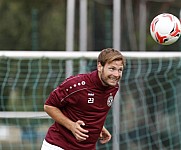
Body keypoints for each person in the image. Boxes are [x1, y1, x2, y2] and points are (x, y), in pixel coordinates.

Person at [41, 48, 126, 150]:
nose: (116, 75)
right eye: (112, 69)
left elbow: (89, 110)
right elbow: (48, 106)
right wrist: (71, 125)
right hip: (59, 145)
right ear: (100, 66)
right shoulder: (77, 85)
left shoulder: (114, 87)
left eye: (120, 70)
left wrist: (98, 127)